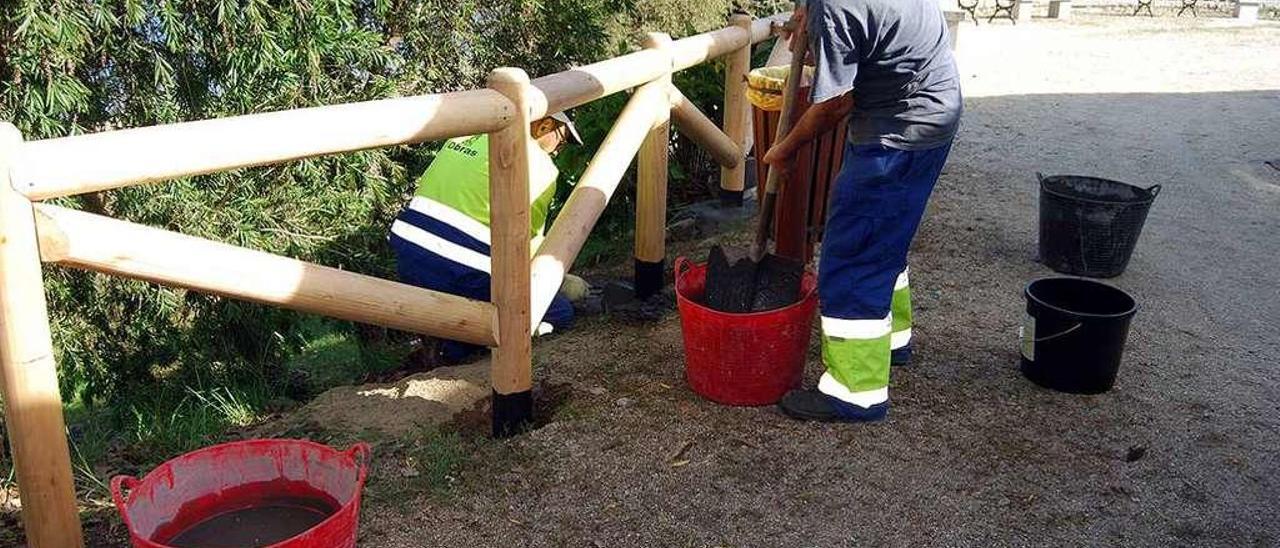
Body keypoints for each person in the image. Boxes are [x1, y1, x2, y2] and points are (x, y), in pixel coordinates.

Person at [764, 0, 962, 422]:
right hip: (934, 107)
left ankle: (855, 391)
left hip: (898, 130)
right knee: (884, 238)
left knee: (852, 255)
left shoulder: (834, 9)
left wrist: (787, 147)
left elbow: (835, 102)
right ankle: (891, 341)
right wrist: (809, 20)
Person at [390, 113, 584, 364]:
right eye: (562, 140)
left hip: (409, 255)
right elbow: (527, 248)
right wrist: (557, 282)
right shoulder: (540, 167)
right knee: (560, 312)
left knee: (460, 317)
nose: (558, 150)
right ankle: (462, 352)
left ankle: (448, 349)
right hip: (464, 269)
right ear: (544, 124)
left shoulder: (464, 136)